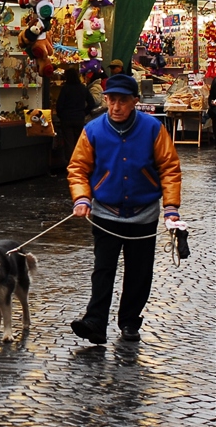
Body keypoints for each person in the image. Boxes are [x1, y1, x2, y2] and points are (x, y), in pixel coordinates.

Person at [67, 74, 182, 344]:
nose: (116, 106)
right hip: (106, 212)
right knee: (103, 269)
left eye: (123, 101)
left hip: (143, 214)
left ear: (134, 102)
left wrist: (171, 208)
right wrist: (82, 198)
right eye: (111, 100)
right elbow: (78, 169)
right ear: (105, 100)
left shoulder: (153, 129)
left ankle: (130, 321)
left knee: (139, 272)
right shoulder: (93, 130)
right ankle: (95, 322)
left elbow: (169, 168)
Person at [56, 67, 95, 162]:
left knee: (69, 143)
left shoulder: (65, 88)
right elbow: (92, 103)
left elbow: (59, 105)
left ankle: (70, 165)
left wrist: (61, 115)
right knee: (79, 142)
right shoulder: (83, 88)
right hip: (79, 118)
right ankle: (80, 164)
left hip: (67, 118)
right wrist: (84, 113)